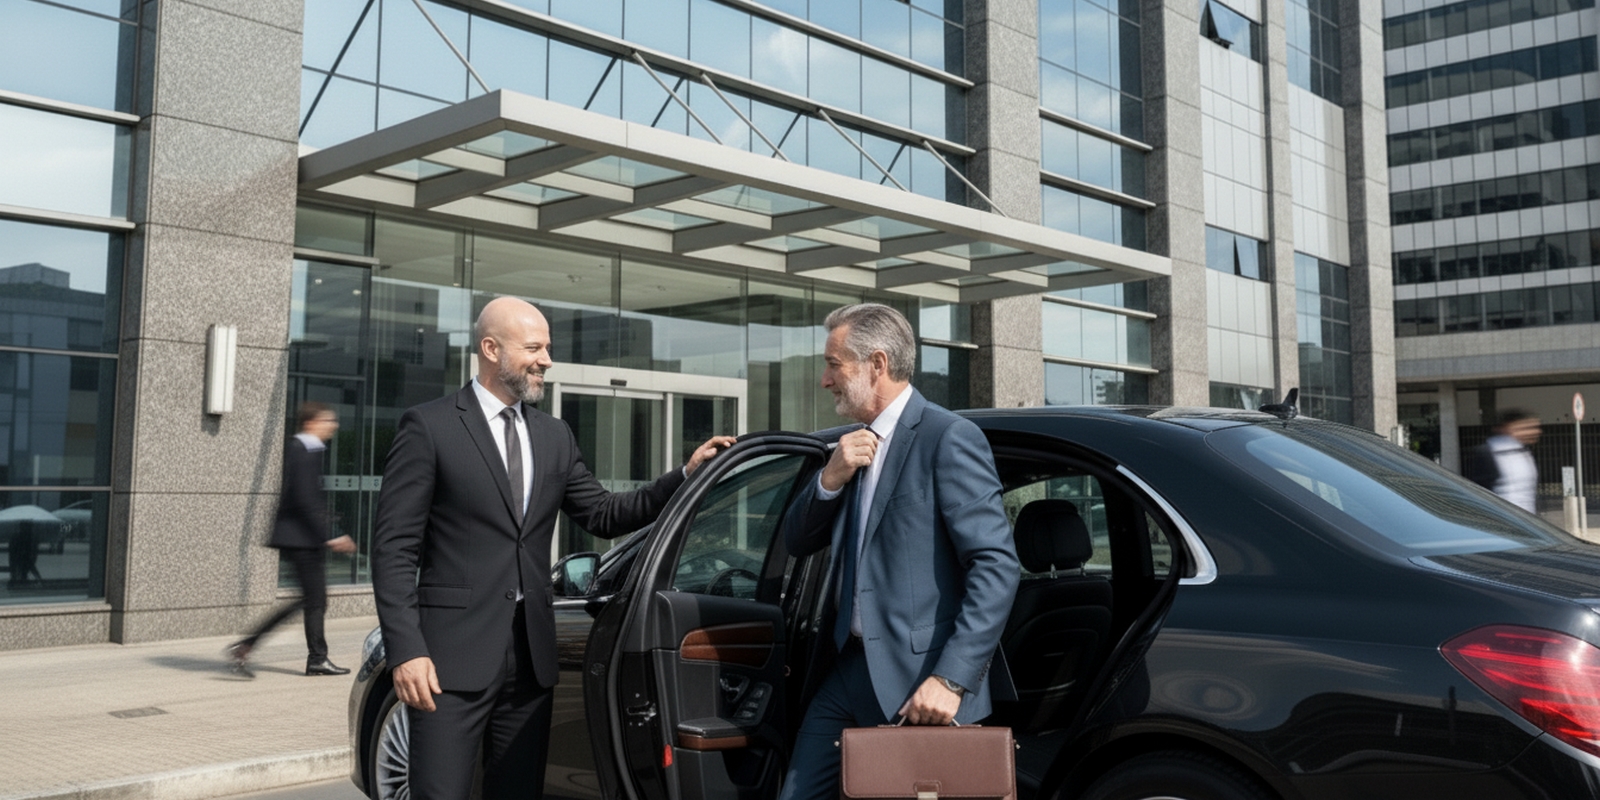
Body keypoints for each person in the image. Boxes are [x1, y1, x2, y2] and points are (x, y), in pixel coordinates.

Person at [371, 296, 735, 800]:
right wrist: (406, 650)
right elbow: (393, 550)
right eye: (535, 347)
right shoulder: (429, 426)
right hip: (448, 662)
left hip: (531, 660)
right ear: (491, 348)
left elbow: (604, 514)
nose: (546, 359)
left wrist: (684, 476)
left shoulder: (554, 435)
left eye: (548, 347)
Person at [777, 303, 1020, 800]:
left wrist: (951, 681)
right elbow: (797, 541)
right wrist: (829, 478)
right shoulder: (849, 449)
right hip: (847, 671)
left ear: (878, 364)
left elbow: (995, 566)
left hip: (921, 685)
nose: (825, 380)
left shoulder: (947, 437)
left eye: (834, 363)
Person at [227, 401, 357, 678]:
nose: (332, 426)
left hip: (303, 537)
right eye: (327, 421)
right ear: (311, 423)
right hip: (301, 539)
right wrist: (330, 537)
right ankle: (314, 659)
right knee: (314, 600)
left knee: (312, 600)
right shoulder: (301, 450)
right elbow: (304, 498)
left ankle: (250, 646)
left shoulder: (307, 449)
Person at [1465, 408, 1542, 513]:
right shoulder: (1489, 452)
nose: (1535, 432)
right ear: (1509, 427)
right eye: (1526, 427)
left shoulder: (1525, 452)